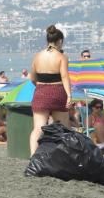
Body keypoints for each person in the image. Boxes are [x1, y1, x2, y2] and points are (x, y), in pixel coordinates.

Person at [28, 24, 72, 155]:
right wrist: (69, 95)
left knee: (37, 129)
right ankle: (65, 156)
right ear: (60, 41)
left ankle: (33, 158)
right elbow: (64, 76)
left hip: (41, 92)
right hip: (58, 92)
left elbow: (32, 78)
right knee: (63, 127)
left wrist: (41, 87)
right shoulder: (61, 57)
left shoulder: (37, 56)